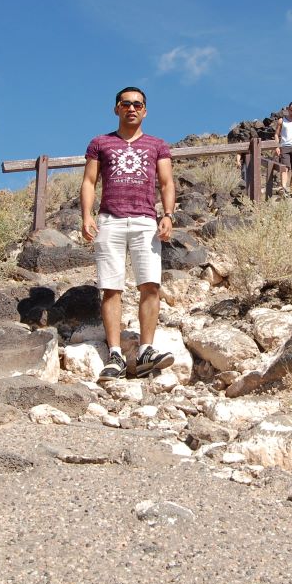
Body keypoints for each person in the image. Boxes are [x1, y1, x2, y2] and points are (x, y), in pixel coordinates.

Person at [80, 87, 176, 383]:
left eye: (138, 104)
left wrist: (168, 215)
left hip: (146, 221)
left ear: (145, 111)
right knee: (111, 287)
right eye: (126, 104)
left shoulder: (157, 145)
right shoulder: (101, 143)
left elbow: (166, 182)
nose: (132, 108)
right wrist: (86, 215)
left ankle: (146, 349)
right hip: (110, 220)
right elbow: (89, 181)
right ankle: (115, 354)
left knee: (150, 285)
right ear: (116, 109)